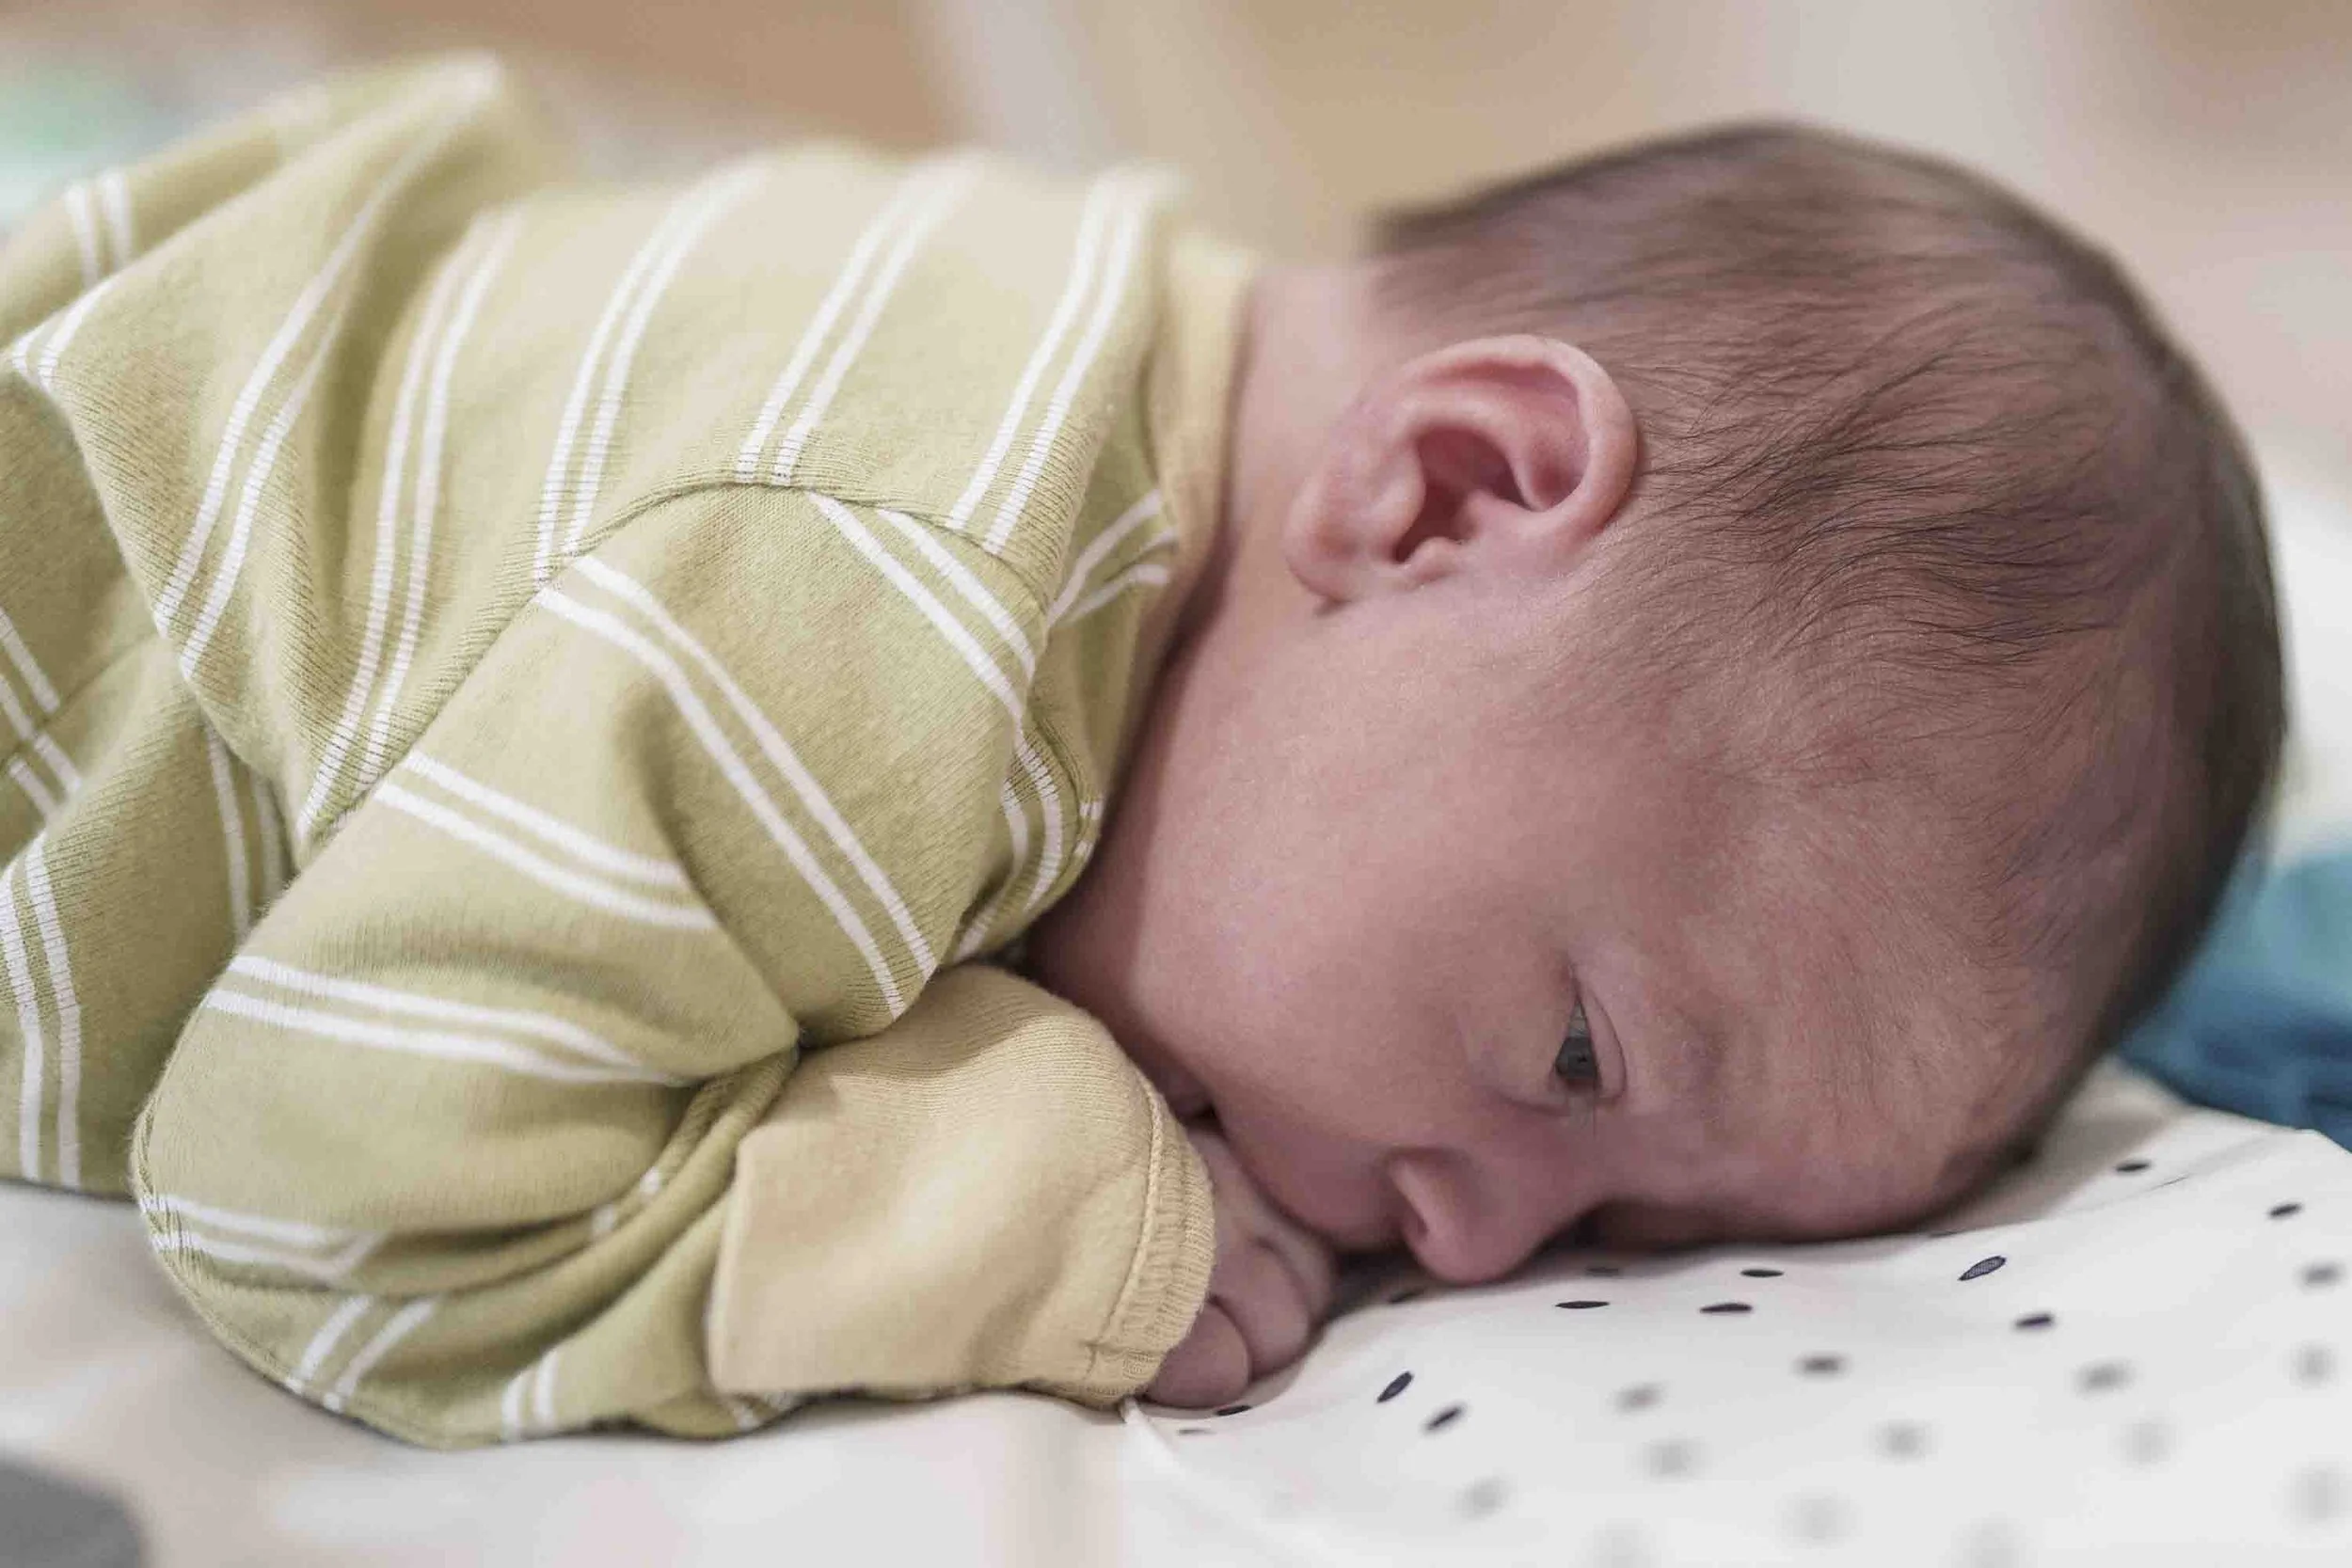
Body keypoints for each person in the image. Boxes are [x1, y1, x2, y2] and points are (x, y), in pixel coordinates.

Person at [0, 55, 2280, 1444]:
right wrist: (1026, 1209)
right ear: (1448, 493)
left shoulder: (1076, 321)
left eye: (1630, 1226)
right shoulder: (882, 604)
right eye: (1578, 1061)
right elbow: (321, 1174)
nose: (1479, 1246)